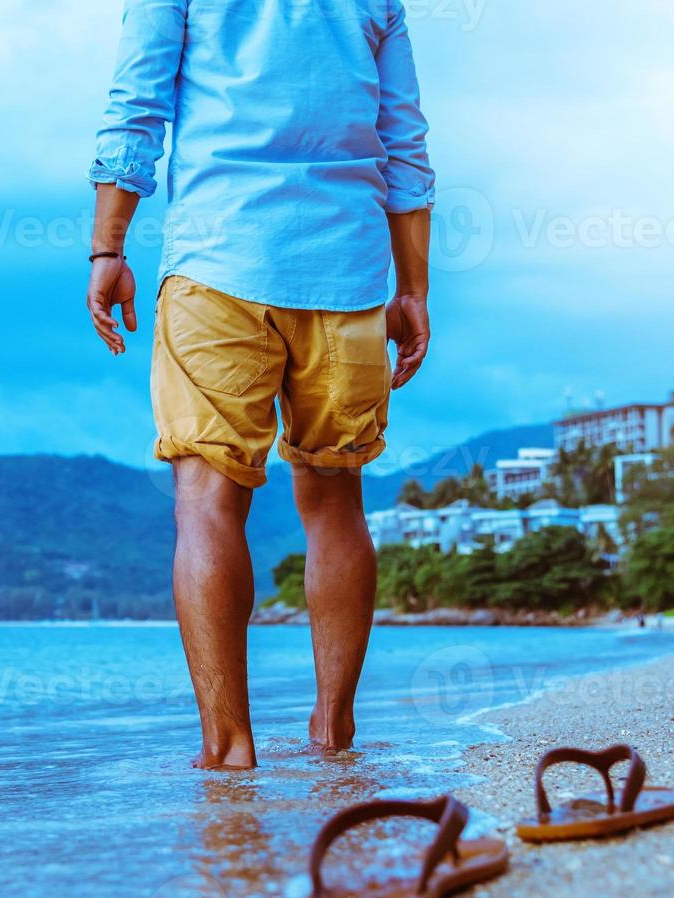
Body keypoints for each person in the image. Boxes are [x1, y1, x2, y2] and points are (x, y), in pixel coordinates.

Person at [86, 0, 436, 769]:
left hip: (218, 264)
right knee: (336, 500)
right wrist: (414, 288)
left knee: (207, 503)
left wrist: (107, 246)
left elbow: (137, 105)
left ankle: (229, 746)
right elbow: (404, 142)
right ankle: (333, 731)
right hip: (345, 275)